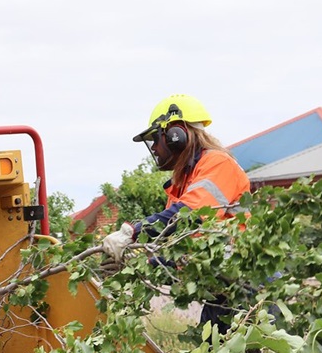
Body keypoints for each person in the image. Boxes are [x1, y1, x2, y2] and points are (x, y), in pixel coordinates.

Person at [102, 93, 251, 333]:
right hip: (221, 295)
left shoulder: (218, 164)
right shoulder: (183, 183)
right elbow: (181, 253)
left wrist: (132, 233)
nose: (153, 147)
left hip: (249, 288)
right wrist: (140, 264)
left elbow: (189, 214)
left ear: (175, 135)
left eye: (155, 139)